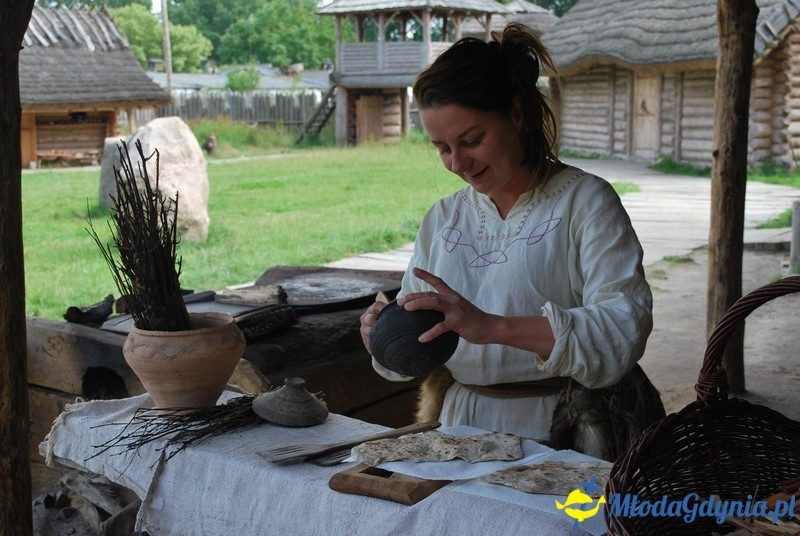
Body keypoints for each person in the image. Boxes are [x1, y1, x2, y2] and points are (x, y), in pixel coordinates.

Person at [359, 23, 663, 459]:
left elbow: (622, 328)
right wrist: (386, 335)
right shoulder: (443, 219)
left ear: (517, 114)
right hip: (460, 431)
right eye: (442, 148)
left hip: (567, 431)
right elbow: (420, 338)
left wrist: (492, 327)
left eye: (471, 140)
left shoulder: (584, 202)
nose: (457, 163)